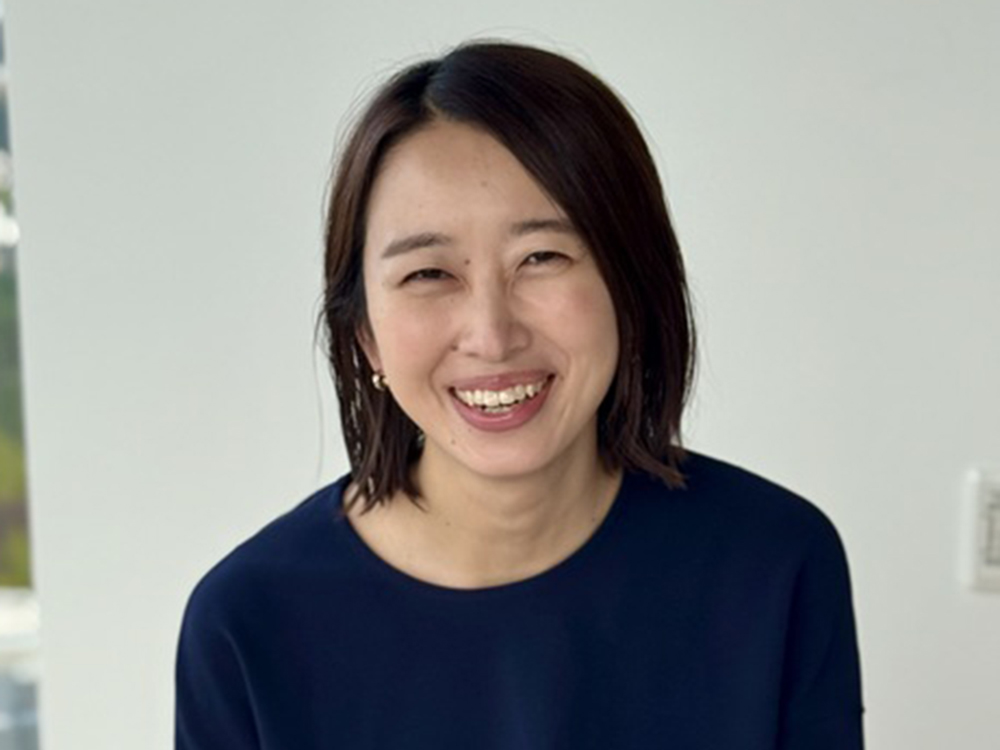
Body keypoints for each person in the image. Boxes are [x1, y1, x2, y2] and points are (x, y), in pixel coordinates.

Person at [175, 40, 865, 749]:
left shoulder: (773, 563)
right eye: (428, 274)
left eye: (541, 258)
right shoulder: (247, 622)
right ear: (365, 336)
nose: (491, 334)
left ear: (631, 285)